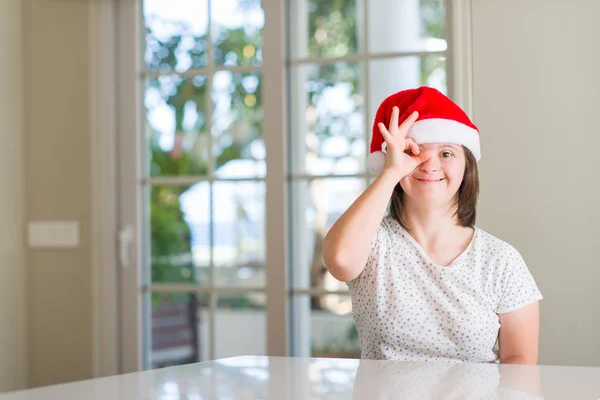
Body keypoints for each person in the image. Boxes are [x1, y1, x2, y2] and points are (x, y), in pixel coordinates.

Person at [322, 86, 543, 364]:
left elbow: (520, 363)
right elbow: (340, 260)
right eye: (415, 152)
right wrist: (392, 172)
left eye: (447, 153)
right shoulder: (372, 242)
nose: (429, 165)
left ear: (467, 166)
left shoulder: (500, 260)